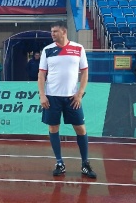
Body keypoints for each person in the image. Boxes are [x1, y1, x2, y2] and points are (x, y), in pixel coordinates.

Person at [38, 20, 96, 179]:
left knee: (81, 129)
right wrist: (42, 95)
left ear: (64, 32)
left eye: (55, 31)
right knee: (53, 128)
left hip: (72, 98)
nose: (52, 34)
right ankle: (59, 163)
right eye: (51, 31)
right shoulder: (47, 50)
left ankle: (85, 164)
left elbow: (85, 72)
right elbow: (41, 74)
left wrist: (80, 93)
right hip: (52, 97)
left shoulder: (78, 48)